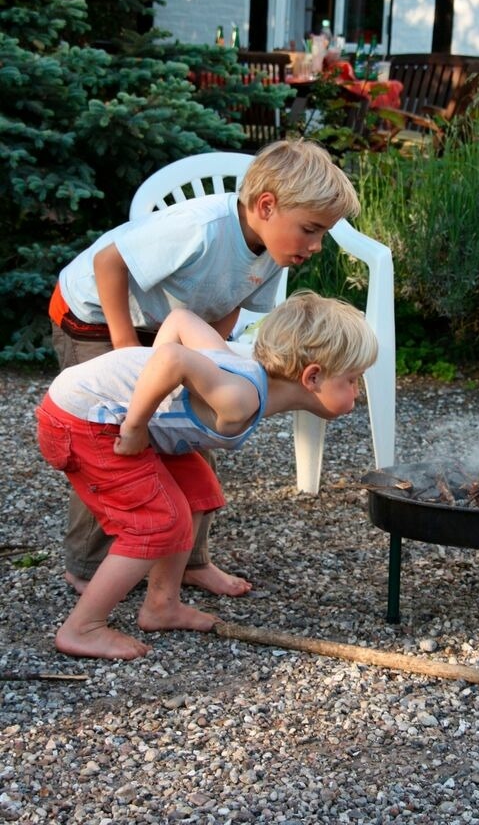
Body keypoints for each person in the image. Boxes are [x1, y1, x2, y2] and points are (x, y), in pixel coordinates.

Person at [48, 139, 361, 598]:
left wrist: (216, 367)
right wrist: (125, 348)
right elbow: (108, 262)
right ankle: (89, 566)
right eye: (310, 230)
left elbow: (229, 305)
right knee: (111, 440)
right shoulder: (201, 227)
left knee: (196, 431)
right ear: (267, 206)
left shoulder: (274, 251)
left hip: (166, 328)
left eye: (322, 235)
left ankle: (189, 562)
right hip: (96, 316)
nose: (315, 246)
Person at [36, 293, 378, 661]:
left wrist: (158, 396)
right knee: (156, 522)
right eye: (352, 380)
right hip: (85, 420)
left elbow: (181, 320)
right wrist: (136, 424)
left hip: (99, 414)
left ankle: (162, 605)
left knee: (196, 491)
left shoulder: (238, 367)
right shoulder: (239, 398)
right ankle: (83, 627)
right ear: (313, 377)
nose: (357, 393)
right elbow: (171, 358)